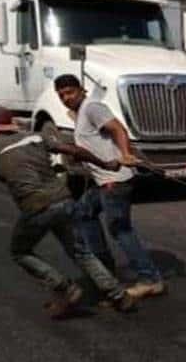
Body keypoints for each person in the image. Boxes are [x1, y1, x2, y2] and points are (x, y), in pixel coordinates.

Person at [0, 105, 140, 318]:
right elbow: (74, 150)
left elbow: (4, 176)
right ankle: (118, 295)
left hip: (36, 206)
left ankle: (65, 288)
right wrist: (106, 164)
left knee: (20, 251)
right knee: (80, 251)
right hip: (64, 199)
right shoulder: (36, 137)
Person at [53, 75, 166, 299]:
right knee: (83, 212)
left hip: (115, 180)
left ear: (81, 90)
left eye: (70, 92)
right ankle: (105, 268)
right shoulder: (81, 112)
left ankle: (150, 279)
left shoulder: (92, 107)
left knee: (120, 230)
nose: (66, 98)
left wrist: (125, 155)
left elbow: (117, 129)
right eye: (62, 95)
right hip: (104, 180)